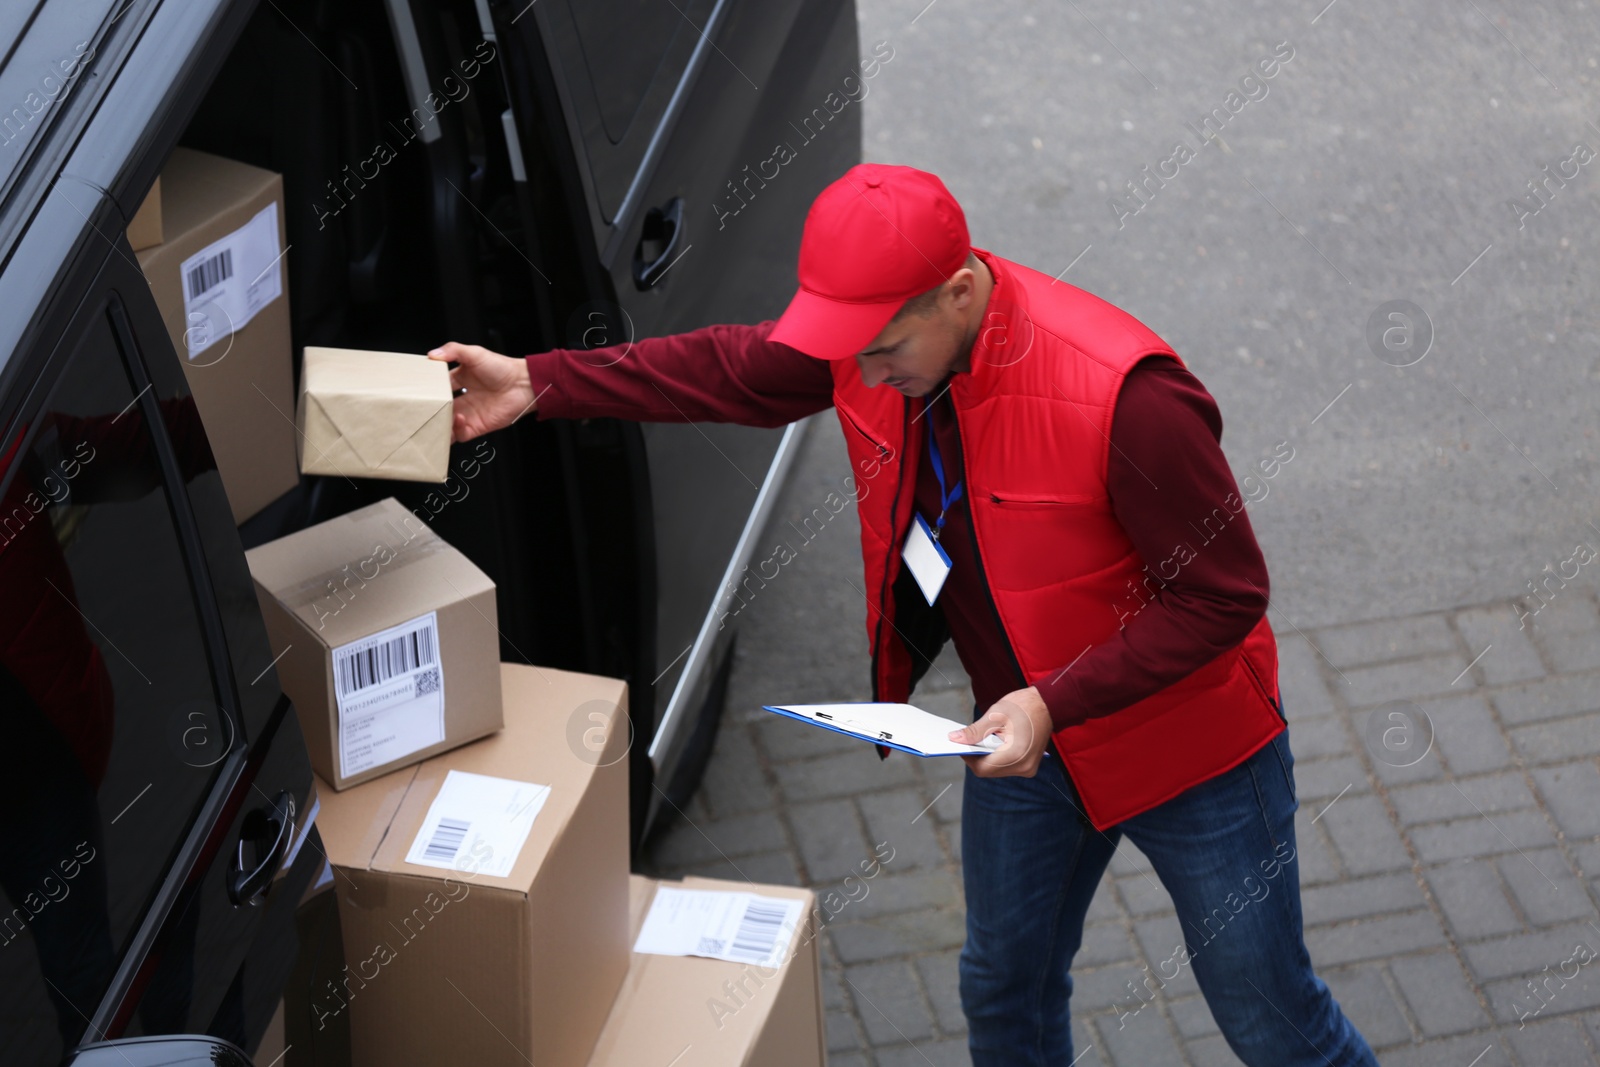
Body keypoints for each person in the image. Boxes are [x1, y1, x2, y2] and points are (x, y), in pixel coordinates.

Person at [428, 163, 1376, 1066]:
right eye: (852, 352)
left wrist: (1056, 700)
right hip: (1020, 745)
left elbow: (1225, 595)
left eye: (886, 348)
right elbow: (734, 371)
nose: (866, 375)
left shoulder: (1129, 398)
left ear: (959, 292)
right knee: (1004, 987)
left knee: (1269, 1015)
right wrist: (541, 382)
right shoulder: (871, 348)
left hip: (1192, 759)